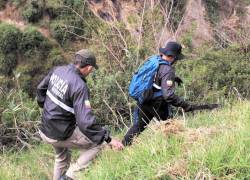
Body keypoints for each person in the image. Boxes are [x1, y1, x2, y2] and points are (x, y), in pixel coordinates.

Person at [37, 49, 124, 180]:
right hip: (59, 134)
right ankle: (70, 176)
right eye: (92, 69)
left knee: (61, 157)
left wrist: (48, 109)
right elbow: (85, 122)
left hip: (45, 128)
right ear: (88, 67)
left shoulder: (58, 70)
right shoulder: (79, 85)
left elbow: (40, 89)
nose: (91, 71)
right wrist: (108, 139)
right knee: (98, 144)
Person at [122, 41, 217, 146]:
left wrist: (174, 78)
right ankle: (175, 148)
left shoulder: (155, 60)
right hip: (157, 103)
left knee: (138, 126)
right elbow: (168, 96)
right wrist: (185, 105)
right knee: (170, 126)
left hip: (144, 99)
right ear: (173, 57)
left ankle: (122, 146)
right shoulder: (168, 70)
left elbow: (156, 76)